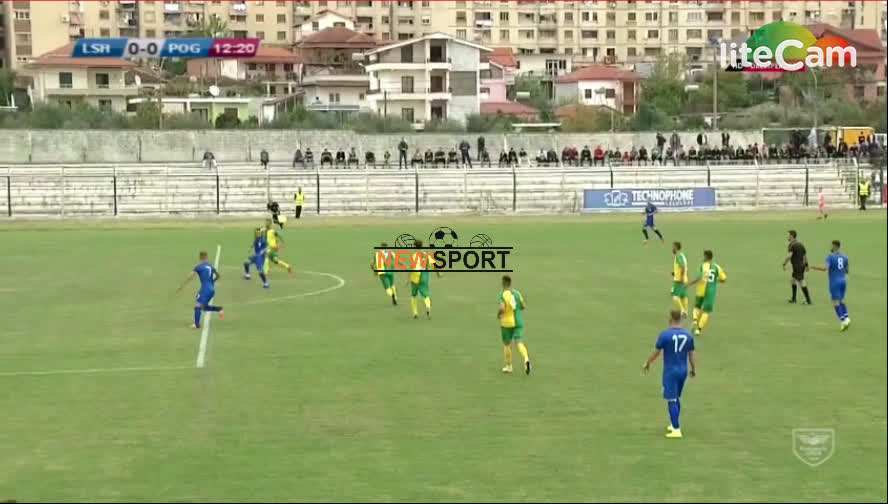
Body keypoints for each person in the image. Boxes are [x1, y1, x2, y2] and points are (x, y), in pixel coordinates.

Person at [642, 310, 696, 439]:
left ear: (671, 319)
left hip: (671, 372)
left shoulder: (665, 335)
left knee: (671, 399)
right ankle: (673, 424)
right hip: (683, 371)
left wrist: (647, 362)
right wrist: (693, 369)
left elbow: (656, 352)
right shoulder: (688, 335)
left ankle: (676, 429)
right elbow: (691, 354)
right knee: (676, 397)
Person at [808, 240, 851, 331]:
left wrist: (812, 267)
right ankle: (847, 318)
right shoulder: (845, 257)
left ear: (835, 246)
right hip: (843, 281)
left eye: (831, 246)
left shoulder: (830, 257)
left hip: (834, 282)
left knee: (835, 302)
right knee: (841, 300)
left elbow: (825, 268)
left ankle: (843, 321)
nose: (830, 247)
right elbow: (847, 270)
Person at [176, 250, 223, 329]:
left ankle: (196, 324)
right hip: (211, 289)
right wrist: (212, 282)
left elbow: (190, 277)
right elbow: (218, 276)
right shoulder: (211, 266)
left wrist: (181, 285)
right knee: (203, 307)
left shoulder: (198, 267)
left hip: (205, 289)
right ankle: (219, 309)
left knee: (197, 306)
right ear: (206, 257)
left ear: (200, 257)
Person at [687, 249, 727, 337]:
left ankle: (695, 320)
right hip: (710, 292)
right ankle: (698, 329)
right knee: (706, 311)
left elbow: (699, 278)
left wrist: (689, 284)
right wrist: (716, 280)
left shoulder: (702, 266)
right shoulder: (716, 267)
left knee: (697, 307)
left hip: (700, 290)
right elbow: (724, 279)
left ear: (706, 256)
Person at [498, 274, 530, 375]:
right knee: (519, 342)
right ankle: (526, 358)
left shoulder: (502, 295)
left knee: (507, 344)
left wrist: (499, 314)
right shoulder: (517, 293)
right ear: (510, 283)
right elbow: (523, 306)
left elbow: (502, 308)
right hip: (518, 321)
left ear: (503, 283)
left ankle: (509, 366)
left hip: (507, 323)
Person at [783, 230, 811, 304]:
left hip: (797, 267)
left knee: (801, 282)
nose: (787, 236)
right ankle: (794, 298)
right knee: (793, 280)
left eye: (788, 235)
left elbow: (789, 256)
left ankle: (808, 300)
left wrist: (784, 264)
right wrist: (806, 265)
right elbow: (804, 256)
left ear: (792, 236)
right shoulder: (800, 244)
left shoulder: (792, 245)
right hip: (801, 266)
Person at [408, 239, 433, 319]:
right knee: (426, 295)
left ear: (414, 246)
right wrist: (439, 273)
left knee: (413, 295)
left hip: (415, 276)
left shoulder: (414, 256)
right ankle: (428, 307)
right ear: (422, 246)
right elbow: (434, 264)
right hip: (424, 277)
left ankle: (415, 313)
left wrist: (408, 278)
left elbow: (412, 267)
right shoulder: (426, 255)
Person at [671, 242, 689, 318]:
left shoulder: (678, 256)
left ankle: (682, 310)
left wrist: (681, 277)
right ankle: (686, 311)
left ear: (676, 247)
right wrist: (675, 272)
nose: (672, 248)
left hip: (679, 280)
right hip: (684, 279)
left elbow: (682, 267)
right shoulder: (682, 255)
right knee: (683, 296)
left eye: (673, 247)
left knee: (675, 296)